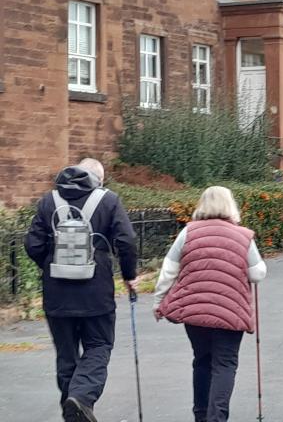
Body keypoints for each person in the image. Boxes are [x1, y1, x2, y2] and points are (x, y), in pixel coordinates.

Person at [24, 158, 137, 422]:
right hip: (95, 292)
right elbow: (127, 241)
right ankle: (82, 398)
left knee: (66, 355)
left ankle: (73, 410)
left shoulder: (48, 201)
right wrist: (129, 275)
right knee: (98, 346)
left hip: (57, 293)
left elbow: (33, 244)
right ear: (99, 179)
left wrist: (52, 264)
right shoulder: (108, 201)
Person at [153, 186, 266, 422]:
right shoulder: (243, 236)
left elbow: (169, 269)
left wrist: (159, 301)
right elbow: (257, 274)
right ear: (230, 205)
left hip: (195, 312)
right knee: (224, 364)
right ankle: (217, 417)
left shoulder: (188, 233)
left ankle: (201, 415)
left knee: (202, 360)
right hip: (231, 312)